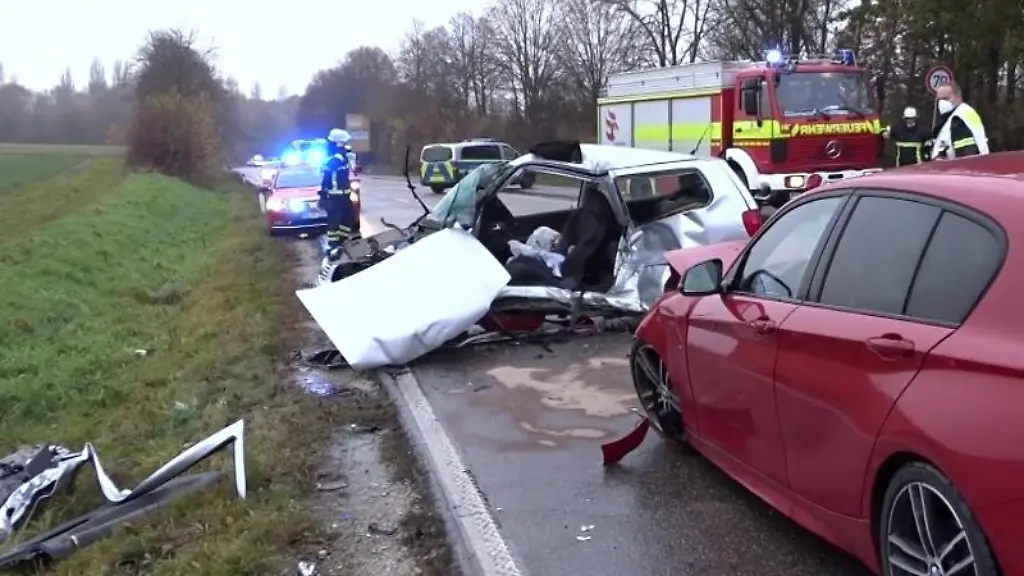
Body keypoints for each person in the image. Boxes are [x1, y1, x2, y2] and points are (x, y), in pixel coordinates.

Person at [320, 128, 357, 252]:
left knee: (348, 219)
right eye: (345, 142)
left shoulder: (342, 156)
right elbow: (330, 168)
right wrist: (344, 156)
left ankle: (342, 241)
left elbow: (352, 170)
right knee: (335, 222)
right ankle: (333, 245)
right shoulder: (335, 158)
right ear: (339, 143)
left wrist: (350, 158)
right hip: (335, 196)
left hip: (344, 195)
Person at [931, 82, 989, 160]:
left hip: (960, 170)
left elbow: (966, 156)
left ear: (958, 97)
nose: (942, 103)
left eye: (946, 98)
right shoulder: (961, 114)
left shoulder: (958, 119)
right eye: (939, 100)